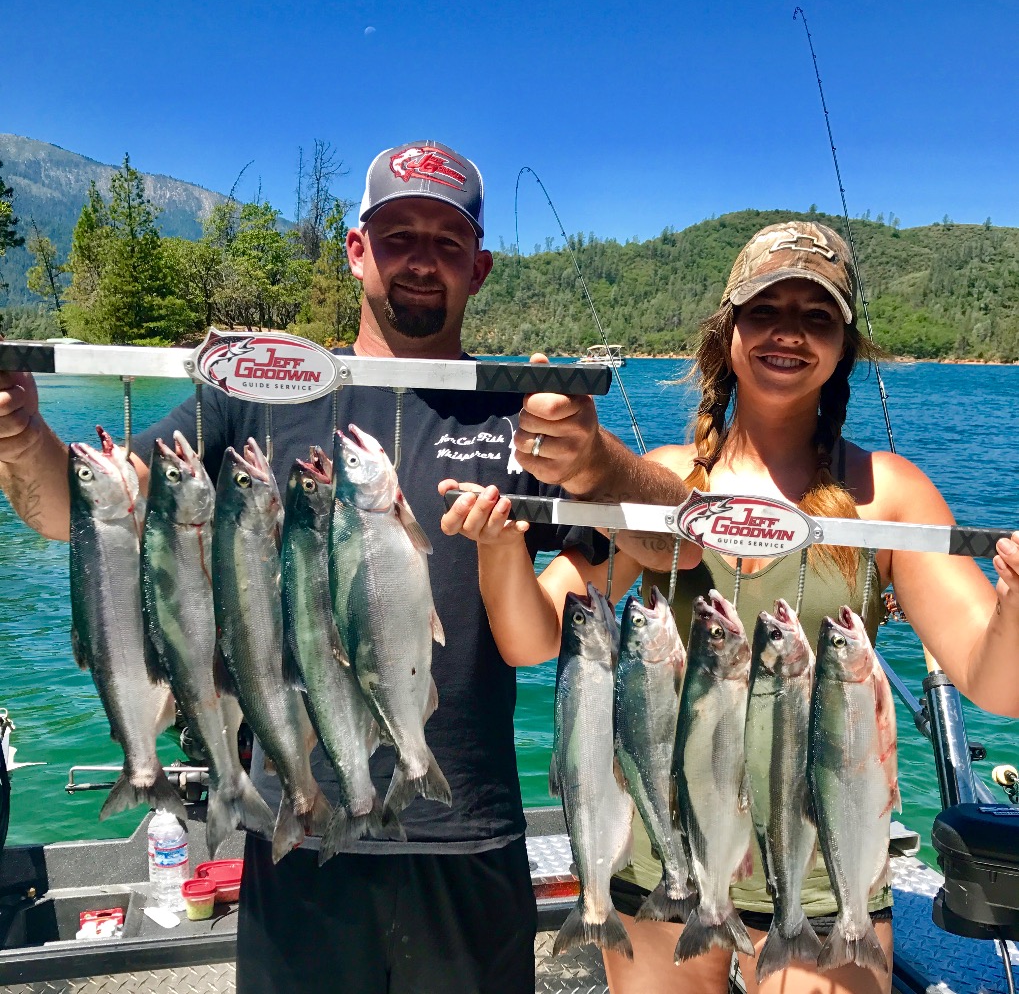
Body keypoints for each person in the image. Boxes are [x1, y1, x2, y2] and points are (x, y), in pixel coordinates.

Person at [0, 140, 607, 994]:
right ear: (358, 250)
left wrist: (600, 458)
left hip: (469, 831)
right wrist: (21, 438)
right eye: (398, 236)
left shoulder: (523, 411)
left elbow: (644, 546)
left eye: (445, 240)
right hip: (301, 813)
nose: (421, 261)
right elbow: (80, 515)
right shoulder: (256, 388)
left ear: (480, 265)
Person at [441, 220, 1019, 994]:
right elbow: (533, 639)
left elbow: (994, 686)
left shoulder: (888, 492)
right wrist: (498, 546)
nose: (789, 334)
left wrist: (1015, 599)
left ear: (844, 346)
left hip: (820, 875)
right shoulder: (659, 478)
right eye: (764, 312)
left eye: (817, 318)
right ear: (726, 332)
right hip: (660, 862)